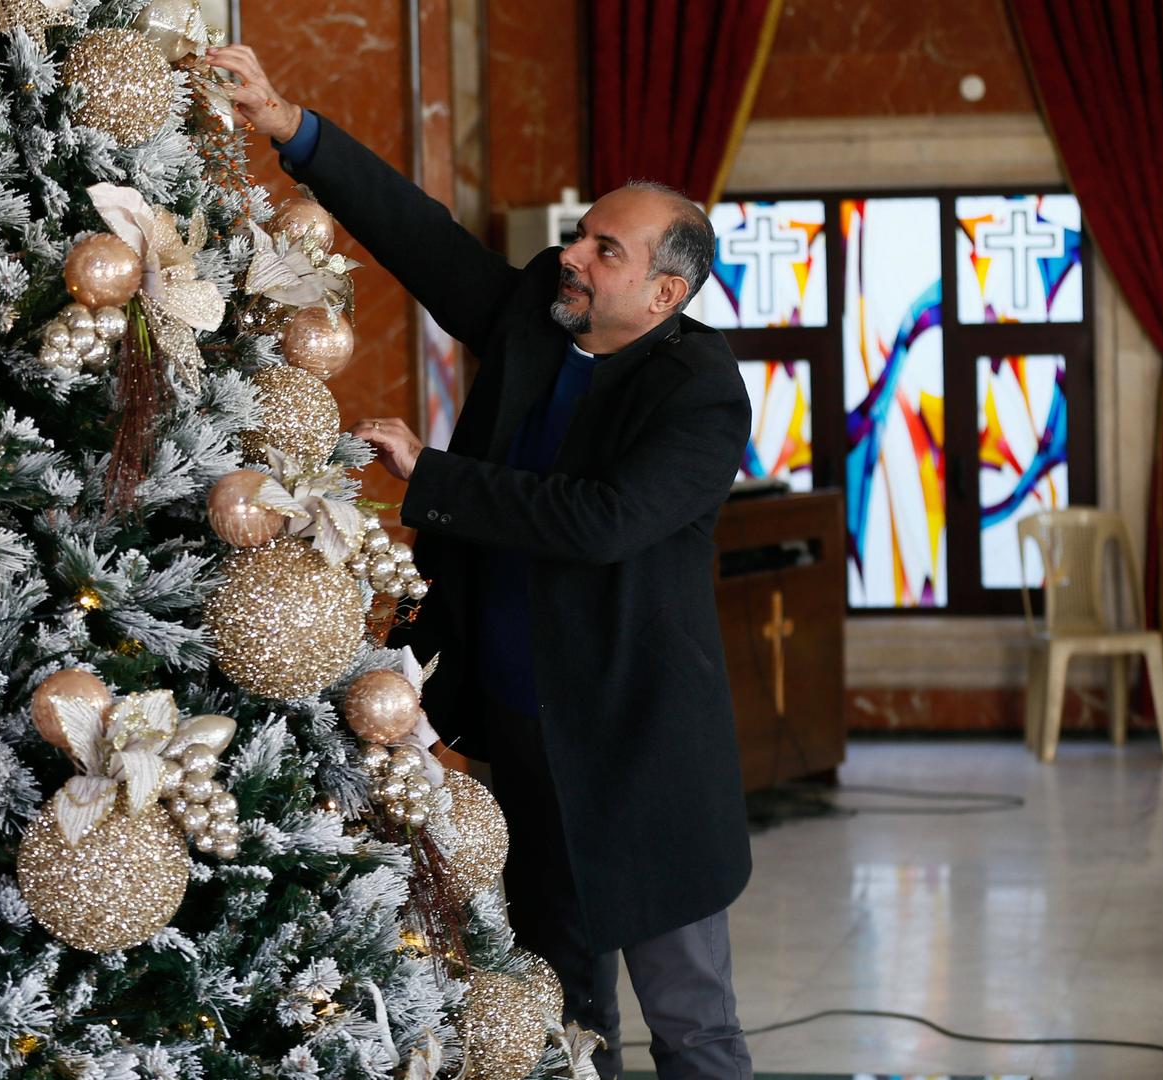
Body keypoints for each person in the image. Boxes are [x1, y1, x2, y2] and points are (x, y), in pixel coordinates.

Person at [208, 45, 756, 1080]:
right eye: (582, 234)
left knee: (691, 1022)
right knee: (556, 1010)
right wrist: (294, 127)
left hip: (639, 754)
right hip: (521, 738)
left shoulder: (701, 392)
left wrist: (438, 477)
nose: (573, 255)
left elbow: (601, 521)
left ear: (666, 292)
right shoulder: (535, 325)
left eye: (606, 250)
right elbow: (420, 236)